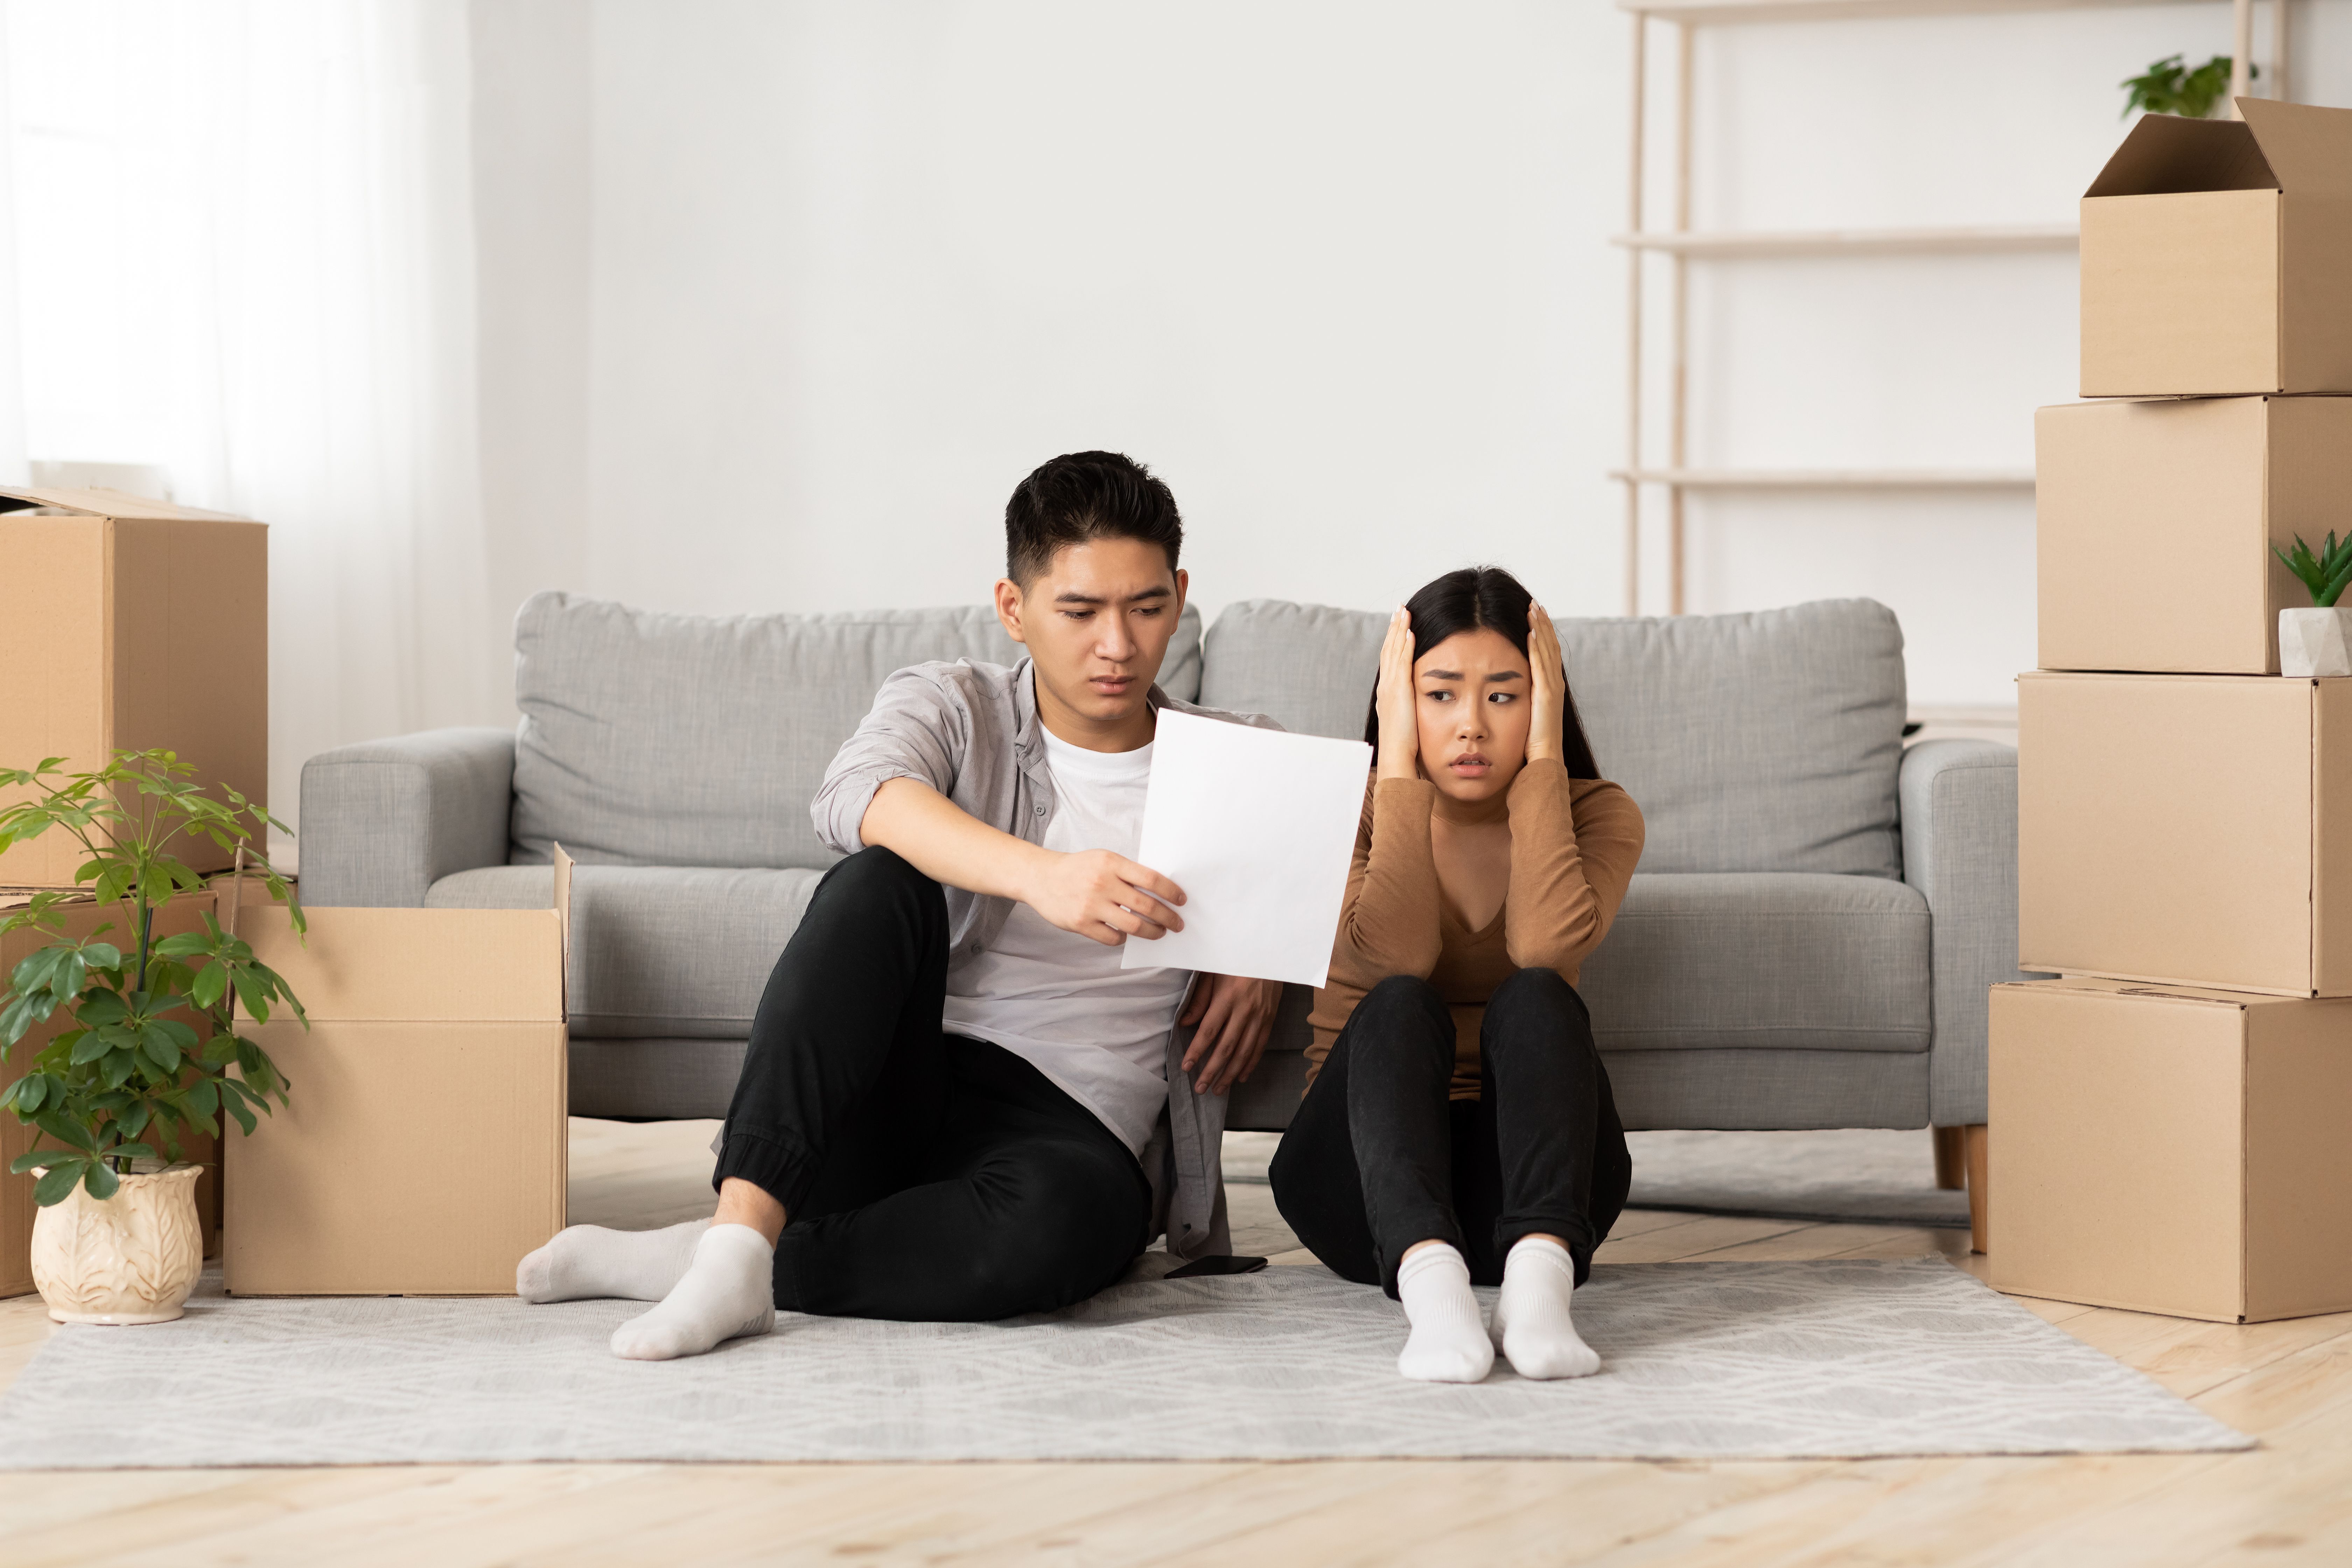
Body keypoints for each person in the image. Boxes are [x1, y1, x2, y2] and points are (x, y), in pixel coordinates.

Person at [517, 451, 1284, 1359]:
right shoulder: (954, 702)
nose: (1116, 645)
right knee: (878, 879)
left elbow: (1360, 853)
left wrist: (1264, 953)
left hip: (1078, 1129)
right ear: (1015, 608)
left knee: (1050, 1240)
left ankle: (717, 1257)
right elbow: (856, 793)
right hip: (903, 1083)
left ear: (1179, 593)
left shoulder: (1243, 760)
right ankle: (739, 1242)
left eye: (1147, 608)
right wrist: (1043, 874)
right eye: (1079, 611)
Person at [1268, 566, 1644, 1383]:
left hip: (1533, 1193)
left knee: (1539, 993)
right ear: (1399, 698)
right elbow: (1396, 954)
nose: (1471, 725)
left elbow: (1546, 945)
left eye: (1505, 696)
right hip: (1363, 1182)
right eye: (1440, 694)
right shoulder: (1349, 805)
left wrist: (1543, 765)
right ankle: (1432, 1293)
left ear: (1544, 699)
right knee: (1401, 1001)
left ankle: (1540, 1291)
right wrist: (1396, 766)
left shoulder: (1598, 813)